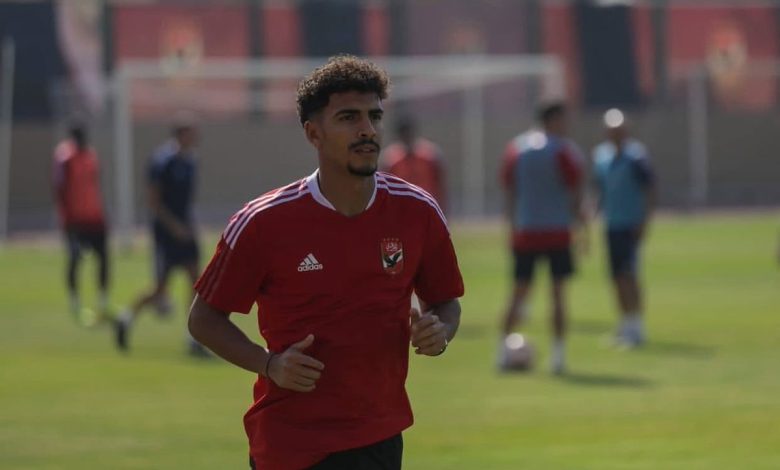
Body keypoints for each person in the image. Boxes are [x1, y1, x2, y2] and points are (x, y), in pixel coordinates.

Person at [188, 55, 464, 470]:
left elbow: (445, 303)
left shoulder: (417, 211)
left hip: (379, 437)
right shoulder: (264, 222)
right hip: (291, 445)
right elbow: (203, 319)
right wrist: (269, 364)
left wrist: (439, 332)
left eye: (374, 116)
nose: (367, 129)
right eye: (349, 118)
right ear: (313, 133)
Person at [497, 102, 585, 375]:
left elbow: (509, 190)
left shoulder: (516, 148)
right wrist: (582, 229)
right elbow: (575, 191)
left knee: (518, 293)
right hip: (557, 231)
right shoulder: (564, 150)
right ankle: (558, 356)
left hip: (526, 231)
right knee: (557, 294)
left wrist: (511, 227)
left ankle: (501, 352)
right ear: (553, 119)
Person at [115, 118, 208, 357]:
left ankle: (193, 339)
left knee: (196, 283)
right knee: (160, 290)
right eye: (191, 133)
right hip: (166, 234)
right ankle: (125, 319)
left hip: (186, 231)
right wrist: (174, 227)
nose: (195, 138)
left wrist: (188, 225)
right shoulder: (162, 161)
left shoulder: (191, 161)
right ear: (180, 134)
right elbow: (153, 202)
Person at [592, 108, 656, 347]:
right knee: (615, 276)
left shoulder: (636, 157)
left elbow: (649, 189)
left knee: (630, 275)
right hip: (612, 224)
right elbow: (601, 189)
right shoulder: (601, 156)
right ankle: (624, 324)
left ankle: (637, 326)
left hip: (630, 224)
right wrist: (594, 211)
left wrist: (645, 220)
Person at [52, 123, 110, 323]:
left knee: (103, 258)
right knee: (75, 258)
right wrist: (65, 217)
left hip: (95, 217)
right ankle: (74, 300)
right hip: (75, 220)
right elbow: (59, 188)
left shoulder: (91, 156)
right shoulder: (65, 157)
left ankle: (102, 300)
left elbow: (96, 184)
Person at [381, 116, 447, 209]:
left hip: (427, 207)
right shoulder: (391, 160)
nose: (407, 137)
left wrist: (442, 207)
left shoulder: (430, 156)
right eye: (404, 134)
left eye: (408, 133)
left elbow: (440, 185)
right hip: (402, 209)